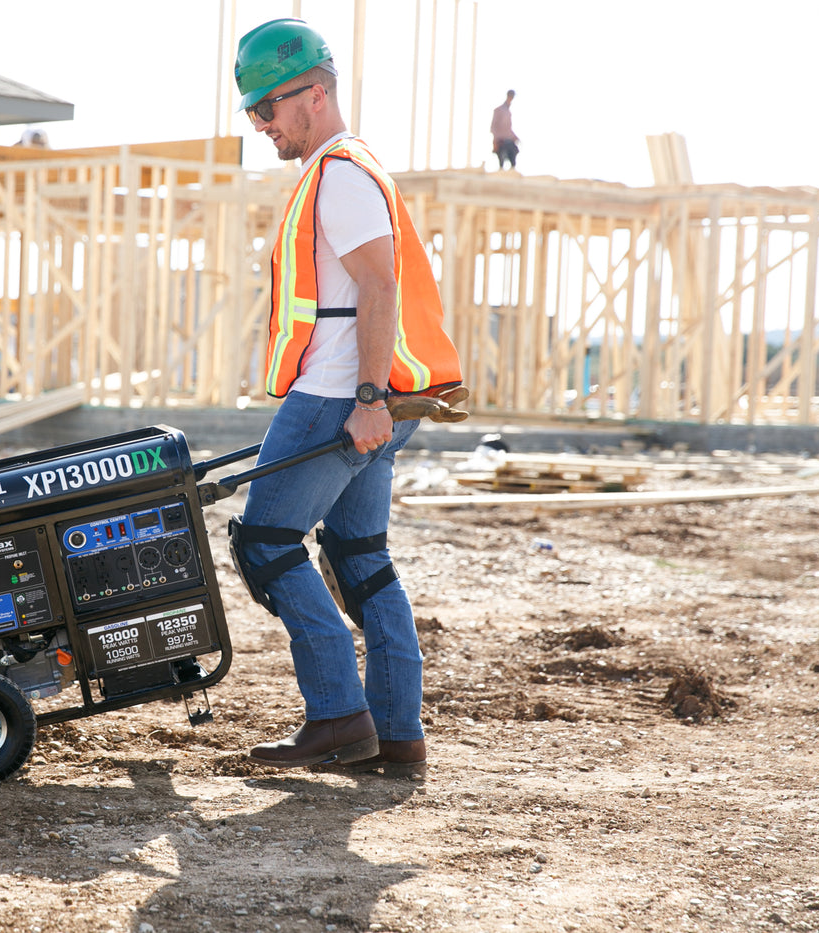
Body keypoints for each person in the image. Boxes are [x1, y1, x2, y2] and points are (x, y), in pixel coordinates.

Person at [230, 18, 465, 778]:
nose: (260, 124)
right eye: (253, 111)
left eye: (268, 106)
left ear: (315, 94)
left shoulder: (341, 176)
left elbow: (379, 285)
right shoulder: (343, 171)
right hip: (370, 399)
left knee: (266, 542)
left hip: (341, 396)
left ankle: (338, 716)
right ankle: (396, 732)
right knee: (359, 553)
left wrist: (365, 398)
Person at [491, 90, 519, 170]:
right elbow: (493, 127)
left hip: (508, 140)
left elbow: (508, 128)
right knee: (501, 158)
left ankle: (512, 170)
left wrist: (515, 137)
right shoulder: (499, 110)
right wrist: (495, 141)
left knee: (513, 153)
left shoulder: (508, 111)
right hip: (501, 141)